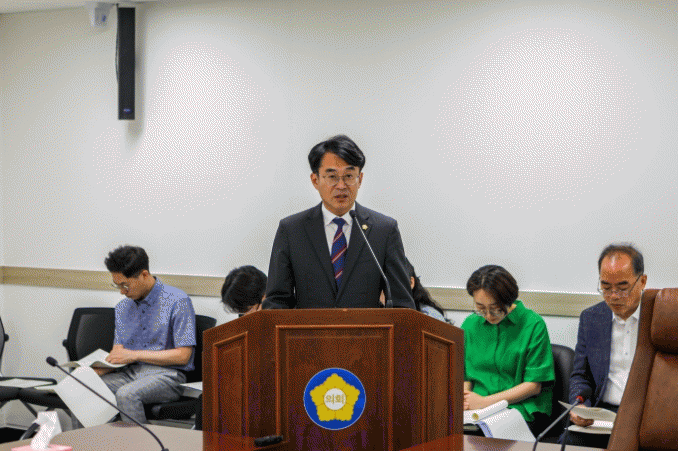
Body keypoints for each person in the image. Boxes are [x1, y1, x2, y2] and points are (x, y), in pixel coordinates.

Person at [263, 134, 415, 310]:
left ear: (360, 179)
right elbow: (277, 302)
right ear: (315, 180)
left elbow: (402, 304)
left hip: (366, 329)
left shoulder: (384, 230)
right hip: (309, 329)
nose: (341, 185)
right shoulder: (292, 230)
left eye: (349, 176)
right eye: (332, 177)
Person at [98, 245, 197, 424]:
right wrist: (94, 370)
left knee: (126, 394)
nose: (122, 291)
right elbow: (119, 353)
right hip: (130, 373)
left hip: (167, 376)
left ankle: (140, 441)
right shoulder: (122, 308)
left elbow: (183, 356)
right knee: (82, 386)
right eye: (117, 285)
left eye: (125, 285)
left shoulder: (178, 301)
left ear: (144, 274)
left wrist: (134, 355)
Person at [561, 244, 647, 448]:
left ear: (642, 281)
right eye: (606, 288)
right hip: (603, 415)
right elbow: (580, 375)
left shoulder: (660, 319)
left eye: (623, 288)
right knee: (565, 444)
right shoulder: (591, 318)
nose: (614, 296)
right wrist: (580, 405)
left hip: (645, 415)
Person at [462, 265, 555, 435]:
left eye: (496, 309)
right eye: (481, 308)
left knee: (482, 435)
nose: (488, 315)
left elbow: (533, 386)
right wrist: (465, 397)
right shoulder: (470, 325)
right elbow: (464, 374)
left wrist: (485, 402)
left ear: (509, 300)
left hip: (520, 408)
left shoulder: (533, 324)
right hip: (476, 409)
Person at [195, 265, 267, 430]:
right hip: (247, 383)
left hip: (268, 388)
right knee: (206, 401)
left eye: (248, 310)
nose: (244, 316)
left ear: (264, 298)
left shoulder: (284, 320)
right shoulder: (248, 320)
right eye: (241, 312)